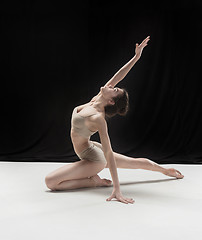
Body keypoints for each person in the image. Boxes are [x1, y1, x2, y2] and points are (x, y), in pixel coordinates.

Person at [45, 36, 184, 204]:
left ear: (111, 101)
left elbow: (109, 154)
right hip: (90, 149)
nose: (111, 85)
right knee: (134, 163)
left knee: (51, 182)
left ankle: (93, 181)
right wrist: (136, 57)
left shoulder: (97, 118)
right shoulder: (96, 100)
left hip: (95, 159)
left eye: (114, 89)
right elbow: (119, 75)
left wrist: (117, 189)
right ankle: (165, 171)